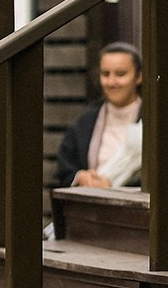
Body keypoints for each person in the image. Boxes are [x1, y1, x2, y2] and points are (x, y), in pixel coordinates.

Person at [54, 41, 145, 192]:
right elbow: (65, 168)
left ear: (138, 77)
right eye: (105, 74)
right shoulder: (85, 120)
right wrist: (80, 177)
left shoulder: (152, 119)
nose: (112, 82)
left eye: (120, 74)